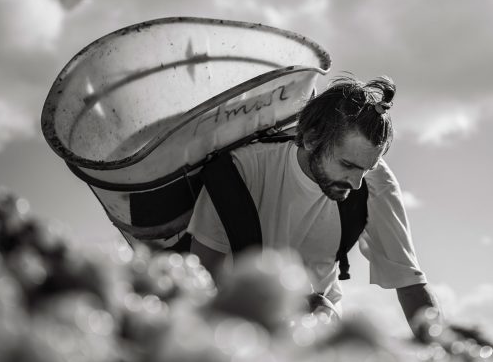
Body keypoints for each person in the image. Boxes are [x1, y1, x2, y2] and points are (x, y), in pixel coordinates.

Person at [188, 75, 443, 338]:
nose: (356, 184)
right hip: (237, 329)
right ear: (311, 140)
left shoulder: (375, 183)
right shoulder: (238, 173)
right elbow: (199, 283)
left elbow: (410, 283)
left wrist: (445, 352)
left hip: (321, 329)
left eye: (366, 169)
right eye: (347, 165)